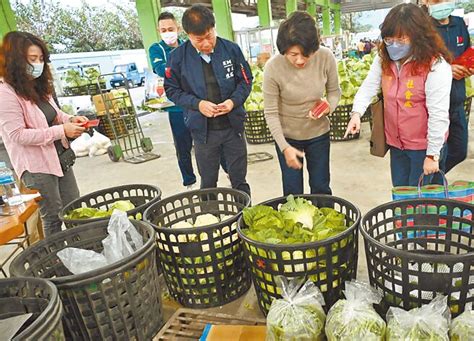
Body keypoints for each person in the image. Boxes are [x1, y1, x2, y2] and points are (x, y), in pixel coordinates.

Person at [344, 3, 452, 187]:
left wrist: (433, 155)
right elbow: (369, 86)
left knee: (420, 204)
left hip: (423, 147)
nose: (394, 46)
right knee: (401, 195)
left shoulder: (435, 66)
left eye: (401, 40)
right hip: (397, 144)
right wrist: (356, 113)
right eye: (389, 40)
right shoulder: (384, 59)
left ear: (418, 37)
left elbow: (438, 114)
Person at [0, 32, 87, 236]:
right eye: (32, 59)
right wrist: (61, 131)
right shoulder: (5, 92)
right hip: (36, 166)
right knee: (53, 215)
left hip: (59, 157)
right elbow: (18, 135)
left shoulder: (38, 86)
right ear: (15, 60)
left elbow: (54, 114)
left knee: (75, 208)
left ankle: (80, 251)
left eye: (40, 59)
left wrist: (70, 120)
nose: (38, 64)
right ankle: (55, 261)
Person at [164, 4, 252, 196]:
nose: (206, 43)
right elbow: (171, 89)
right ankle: (211, 220)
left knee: (239, 179)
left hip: (233, 128)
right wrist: (198, 104)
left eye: (209, 36)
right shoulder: (177, 58)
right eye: (199, 39)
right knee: (208, 181)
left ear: (214, 28)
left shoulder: (231, 50)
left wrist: (232, 102)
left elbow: (245, 82)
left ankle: (245, 218)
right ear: (187, 35)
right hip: (203, 133)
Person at [263, 11, 341, 195]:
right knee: (292, 192)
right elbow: (271, 113)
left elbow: (334, 92)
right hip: (288, 136)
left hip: (318, 134)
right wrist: (285, 147)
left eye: (306, 54)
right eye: (293, 54)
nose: (300, 60)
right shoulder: (273, 68)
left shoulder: (325, 57)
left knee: (321, 187)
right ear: (283, 50)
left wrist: (328, 106)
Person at [149, 12, 197, 190]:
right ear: (158, 30)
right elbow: (160, 69)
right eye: (163, 30)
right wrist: (182, 69)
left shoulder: (188, 45)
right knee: (182, 146)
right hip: (175, 107)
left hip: (195, 104)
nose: (167, 32)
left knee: (205, 143)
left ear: (178, 28)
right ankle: (189, 182)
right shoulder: (157, 49)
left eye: (170, 29)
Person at [424, 0, 472, 179]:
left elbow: (467, 51)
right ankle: (434, 187)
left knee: (459, 151)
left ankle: (435, 179)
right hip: (435, 106)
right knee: (438, 153)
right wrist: (447, 70)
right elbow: (418, 63)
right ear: (426, 2)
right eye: (437, 0)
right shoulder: (422, 28)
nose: (443, 3)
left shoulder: (459, 24)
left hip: (457, 99)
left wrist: (468, 68)